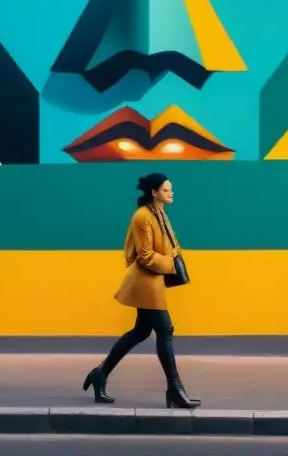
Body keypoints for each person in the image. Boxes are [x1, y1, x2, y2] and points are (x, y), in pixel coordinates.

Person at [82, 173, 200, 409]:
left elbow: (167, 243)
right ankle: (175, 389)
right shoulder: (142, 217)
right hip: (145, 282)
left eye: (171, 190)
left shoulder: (159, 213)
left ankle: (100, 373)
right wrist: (170, 263)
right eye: (166, 190)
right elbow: (145, 256)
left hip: (152, 281)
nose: (171, 193)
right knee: (165, 330)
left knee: (141, 331)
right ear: (154, 192)